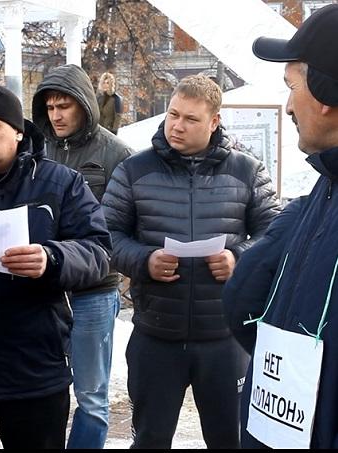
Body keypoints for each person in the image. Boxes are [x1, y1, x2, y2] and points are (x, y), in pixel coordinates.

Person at [0, 85, 112, 450]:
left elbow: (98, 251)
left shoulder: (60, 183)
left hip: (35, 367)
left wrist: (52, 258)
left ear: (18, 132)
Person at [102, 73, 281, 449]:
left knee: (230, 440)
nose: (177, 126)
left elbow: (276, 234)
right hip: (156, 335)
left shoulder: (247, 171)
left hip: (225, 337)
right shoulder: (135, 170)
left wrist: (239, 260)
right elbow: (106, 235)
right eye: (172, 115)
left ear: (215, 121)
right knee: (150, 439)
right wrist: (145, 260)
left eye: (191, 119)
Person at [236, 4, 338, 448]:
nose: (289, 105)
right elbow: (243, 300)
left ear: (327, 94)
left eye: (291, 87)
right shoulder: (322, 191)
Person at [32, 63, 133, 449]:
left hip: (94, 288)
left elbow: (123, 224)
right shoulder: (36, 148)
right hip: (44, 285)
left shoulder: (117, 153)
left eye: (65, 106)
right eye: (51, 107)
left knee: (91, 395)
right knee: (43, 387)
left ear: (85, 106)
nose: (56, 115)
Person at [223, 196, 306, 354]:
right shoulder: (308, 208)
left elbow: (269, 226)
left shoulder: (248, 172)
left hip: (225, 335)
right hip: (164, 330)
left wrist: (236, 256)